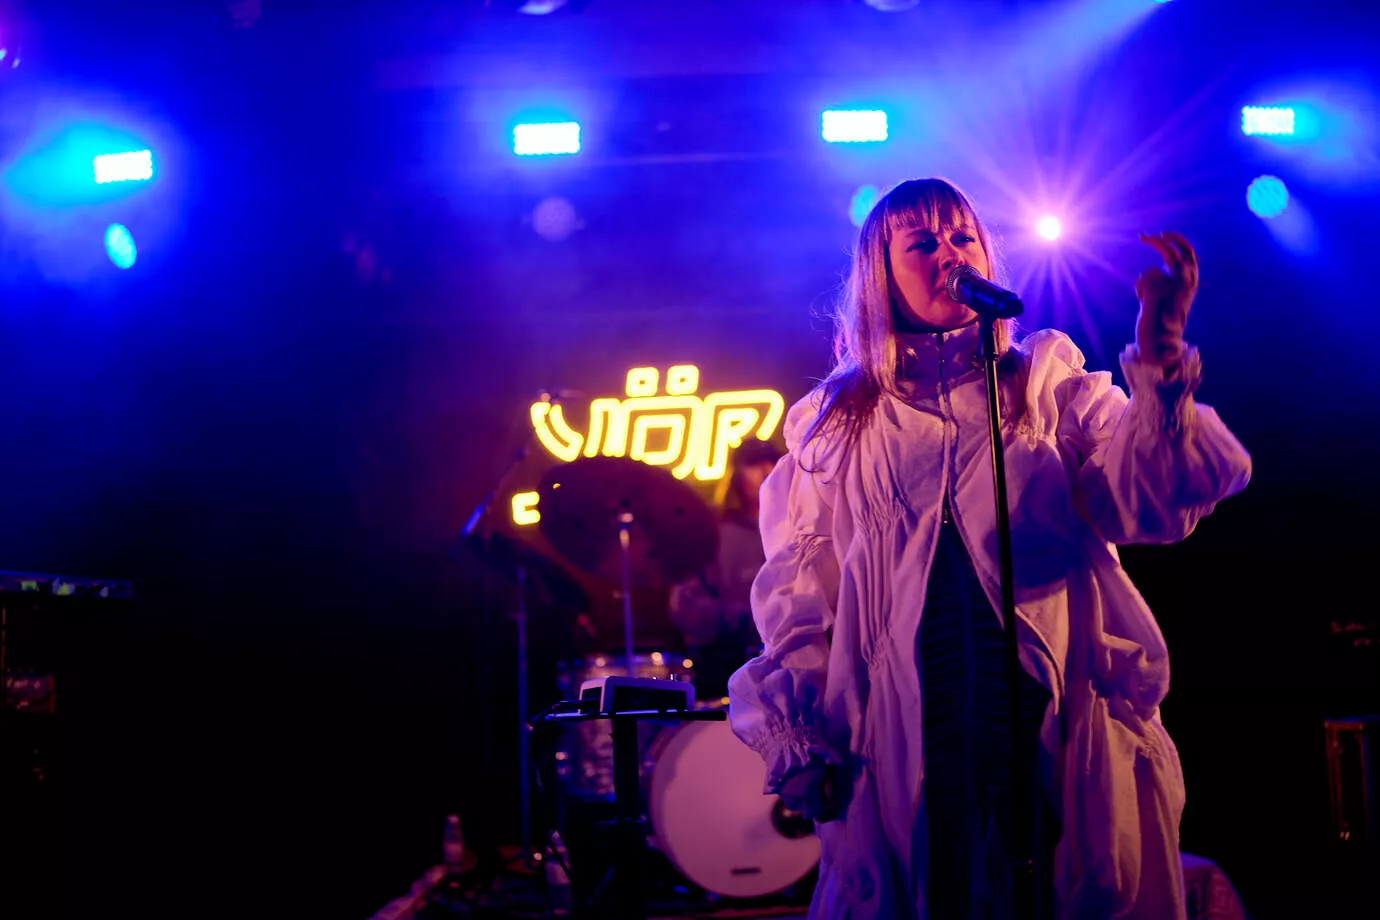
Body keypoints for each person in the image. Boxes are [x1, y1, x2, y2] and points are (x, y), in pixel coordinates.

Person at [727, 177, 1252, 919]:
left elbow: (1150, 503)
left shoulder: (1045, 386)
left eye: (963, 237)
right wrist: (800, 738)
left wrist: (1161, 354)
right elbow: (801, 598)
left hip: (1052, 732)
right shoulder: (839, 423)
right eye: (923, 242)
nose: (950, 253)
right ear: (880, 276)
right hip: (908, 742)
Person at [668, 439, 783, 700]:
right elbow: (685, 607)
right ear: (736, 474)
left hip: (790, 669)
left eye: (772, 462)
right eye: (754, 464)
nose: (766, 471)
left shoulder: (797, 528)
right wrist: (752, 618)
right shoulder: (713, 533)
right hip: (725, 671)